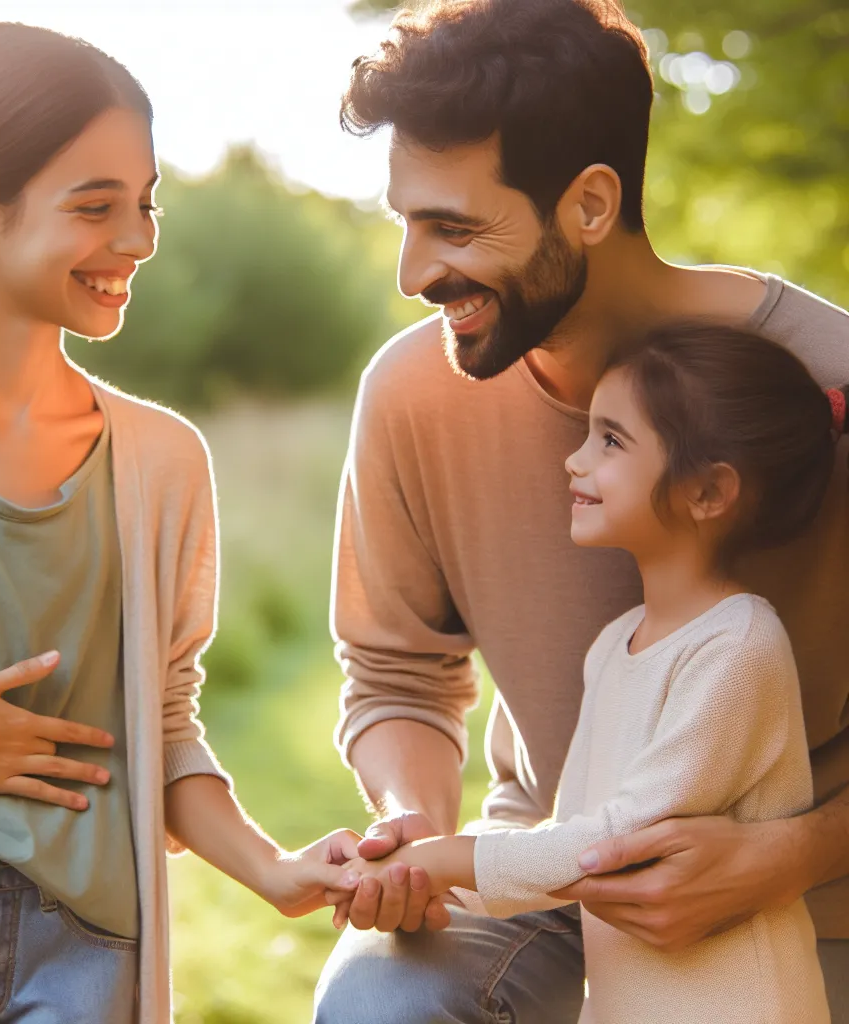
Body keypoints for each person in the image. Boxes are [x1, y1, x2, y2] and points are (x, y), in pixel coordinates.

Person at [314, 1, 849, 1021]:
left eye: (455, 228)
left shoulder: (823, 383)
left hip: (816, 889)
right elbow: (395, 672)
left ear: (590, 203)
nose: (413, 274)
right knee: (380, 1008)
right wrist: (411, 830)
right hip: (545, 858)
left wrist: (788, 852)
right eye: (406, 223)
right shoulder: (410, 396)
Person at [0, 23, 357, 1024]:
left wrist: (275, 869)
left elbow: (162, 729)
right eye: (96, 206)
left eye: (146, 203)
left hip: (86, 950)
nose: (140, 239)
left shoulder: (160, 461)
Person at [335, 323, 842, 1022]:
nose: (574, 461)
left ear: (707, 493)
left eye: (610, 440)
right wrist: (422, 880)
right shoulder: (613, 646)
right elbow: (564, 840)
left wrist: (444, 859)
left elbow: (611, 844)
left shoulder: (738, 646)